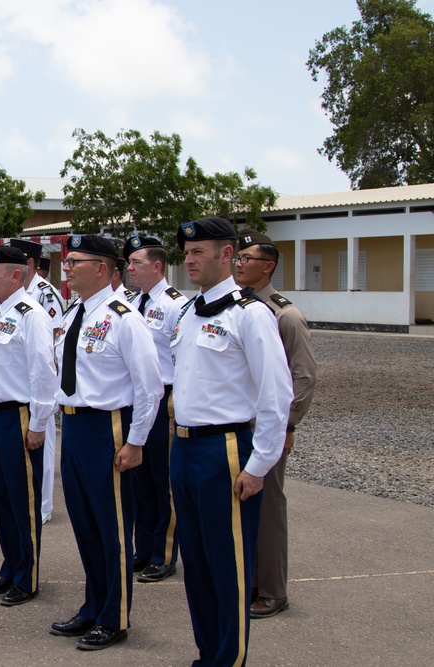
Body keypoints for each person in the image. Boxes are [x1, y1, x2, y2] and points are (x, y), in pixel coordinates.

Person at [171, 217, 293, 667]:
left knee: (229, 565)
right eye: (186, 253)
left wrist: (259, 465)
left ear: (226, 255)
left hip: (224, 451)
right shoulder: (189, 311)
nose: (189, 260)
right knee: (197, 566)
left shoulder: (250, 314)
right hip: (184, 449)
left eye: (198, 251)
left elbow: (276, 394)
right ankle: (208, 655)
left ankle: (229, 659)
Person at [49, 234, 163, 651]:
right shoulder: (76, 311)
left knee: (112, 528)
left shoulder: (123, 318)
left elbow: (150, 387)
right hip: (76, 427)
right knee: (85, 524)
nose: (66, 267)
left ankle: (114, 617)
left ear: (101, 268)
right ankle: (93, 604)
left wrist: (136, 442)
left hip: (108, 428)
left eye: (74, 261)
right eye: (66, 260)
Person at [234, 228, 318, 620]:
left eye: (247, 258)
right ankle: (248, 580)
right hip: (237, 426)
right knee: (242, 504)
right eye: (237, 257)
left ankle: (271, 590)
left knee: (268, 508)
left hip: (267, 426)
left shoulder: (285, 314)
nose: (239, 263)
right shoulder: (235, 307)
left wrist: (288, 426)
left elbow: (303, 376)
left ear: (267, 267)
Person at [0, 245, 58, 607]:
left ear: (15, 275)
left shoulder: (31, 315)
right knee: (1, 498)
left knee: (23, 501)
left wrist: (39, 422)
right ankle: (10, 566)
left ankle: (28, 576)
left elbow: (43, 370)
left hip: (19, 415)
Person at [123, 235, 190, 583]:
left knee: (162, 479)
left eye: (136, 262)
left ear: (157, 266)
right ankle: (143, 548)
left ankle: (164, 554)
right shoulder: (133, 303)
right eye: (129, 263)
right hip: (137, 397)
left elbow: (181, 357)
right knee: (139, 478)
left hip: (165, 398)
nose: (130, 268)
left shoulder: (177, 304)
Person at [8, 238, 62, 523]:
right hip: (19, 379)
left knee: (45, 445)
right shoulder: (15, 293)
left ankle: (43, 504)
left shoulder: (44, 292)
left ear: (28, 263)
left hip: (41, 380)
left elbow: (51, 341)